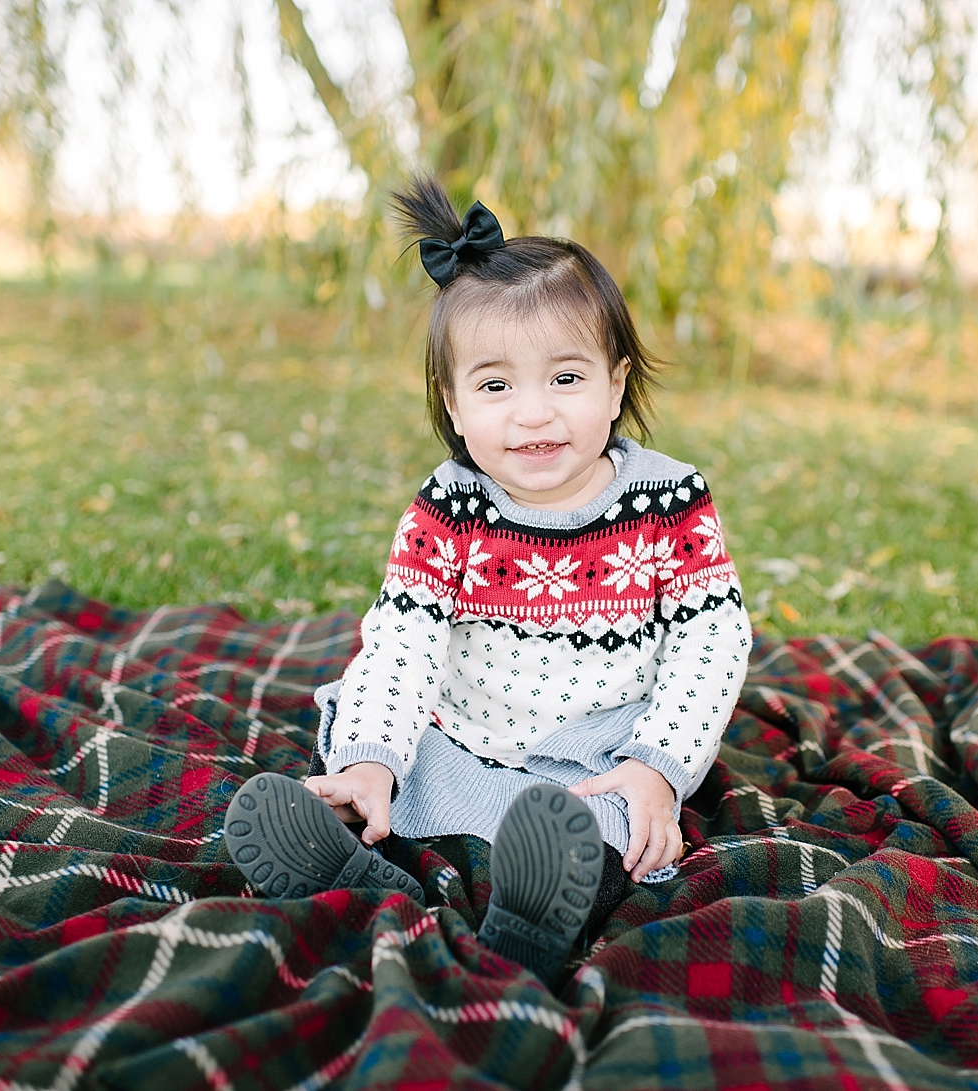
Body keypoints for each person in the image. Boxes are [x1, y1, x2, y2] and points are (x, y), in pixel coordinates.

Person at [224, 175, 751, 987]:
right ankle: (363, 868)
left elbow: (711, 641)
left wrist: (660, 763)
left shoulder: (667, 500)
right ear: (455, 403)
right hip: (461, 730)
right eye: (497, 385)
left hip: (594, 754)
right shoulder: (451, 506)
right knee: (380, 763)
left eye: (565, 380)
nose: (532, 414)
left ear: (614, 385)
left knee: (607, 821)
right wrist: (373, 758)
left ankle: (537, 917)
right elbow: (401, 640)